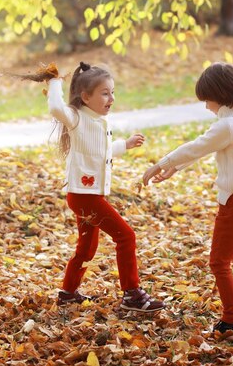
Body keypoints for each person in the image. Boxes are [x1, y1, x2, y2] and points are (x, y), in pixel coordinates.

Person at [142, 62, 233, 334]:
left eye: (207, 99)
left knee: (219, 262)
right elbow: (209, 147)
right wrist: (177, 167)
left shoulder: (228, 125)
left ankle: (231, 320)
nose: (206, 106)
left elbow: (198, 145)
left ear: (220, 95)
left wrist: (161, 163)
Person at [42, 61, 165, 313]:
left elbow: (101, 151)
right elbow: (55, 106)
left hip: (87, 195)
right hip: (83, 196)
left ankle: (68, 293)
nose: (112, 98)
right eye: (105, 93)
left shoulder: (99, 121)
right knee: (126, 236)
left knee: (87, 248)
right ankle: (132, 294)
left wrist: (126, 145)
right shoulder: (76, 117)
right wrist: (54, 80)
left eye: (113, 92)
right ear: (85, 97)